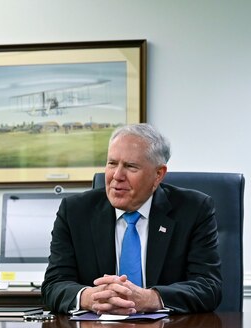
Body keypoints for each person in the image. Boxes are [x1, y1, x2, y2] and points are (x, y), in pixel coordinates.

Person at [41, 123, 222, 315]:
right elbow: (54, 285)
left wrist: (150, 299)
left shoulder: (193, 209)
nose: (117, 176)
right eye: (112, 163)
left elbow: (208, 287)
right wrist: (91, 297)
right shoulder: (75, 211)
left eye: (130, 166)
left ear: (158, 174)